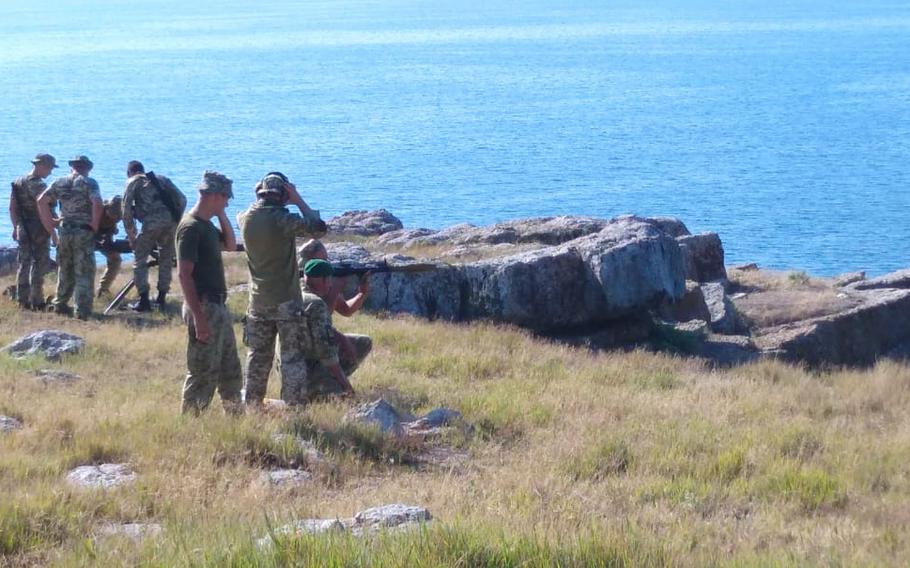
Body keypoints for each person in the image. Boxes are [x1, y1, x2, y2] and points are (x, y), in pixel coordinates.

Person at [237, 172, 327, 407]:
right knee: (291, 358)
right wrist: (297, 199)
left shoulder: (245, 218)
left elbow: (253, 208)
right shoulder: (282, 219)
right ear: (283, 194)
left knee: (257, 357)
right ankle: (294, 408)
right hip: (286, 301)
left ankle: (252, 406)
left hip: (257, 301)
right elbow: (318, 229)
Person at [176, 171, 242, 415]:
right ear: (215, 195)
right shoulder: (190, 228)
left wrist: (221, 214)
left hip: (218, 306)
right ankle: (191, 424)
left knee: (230, 369)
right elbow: (184, 275)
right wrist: (199, 318)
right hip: (203, 306)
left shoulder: (205, 226)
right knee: (203, 371)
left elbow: (231, 245)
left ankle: (235, 420)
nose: (227, 202)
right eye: (226, 199)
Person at [297, 238, 373, 382]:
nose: (327, 262)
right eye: (322, 259)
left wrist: (362, 293)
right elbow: (319, 316)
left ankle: (330, 381)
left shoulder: (325, 282)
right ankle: (326, 385)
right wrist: (335, 289)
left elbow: (346, 310)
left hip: (319, 341)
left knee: (363, 342)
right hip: (304, 349)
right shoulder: (301, 287)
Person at [37, 155, 103, 320]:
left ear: (71, 167)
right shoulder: (89, 182)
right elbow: (97, 203)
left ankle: (60, 305)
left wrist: (49, 223)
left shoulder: (60, 182)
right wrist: (94, 225)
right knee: (84, 270)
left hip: (65, 231)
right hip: (83, 231)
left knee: (65, 269)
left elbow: (41, 201)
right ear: (87, 168)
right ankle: (82, 311)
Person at [122, 160, 186, 311]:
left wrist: (132, 235)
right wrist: (176, 219)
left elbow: (125, 210)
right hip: (170, 224)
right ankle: (161, 298)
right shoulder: (161, 179)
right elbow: (182, 199)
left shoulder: (132, 182)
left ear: (129, 172)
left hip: (150, 224)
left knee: (140, 260)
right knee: (166, 259)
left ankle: (144, 300)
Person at [299, 259, 359, 400]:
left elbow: (345, 310)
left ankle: (324, 384)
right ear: (325, 280)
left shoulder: (295, 293)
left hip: (291, 364)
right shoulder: (316, 304)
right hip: (304, 367)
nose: (331, 283)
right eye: (329, 279)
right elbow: (326, 351)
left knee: (359, 342)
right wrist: (347, 387)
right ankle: (321, 387)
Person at [9, 153, 57, 310]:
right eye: (49, 168)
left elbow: (13, 208)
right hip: (39, 227)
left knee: (23, 263)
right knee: (39, 263)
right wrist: (53, 232)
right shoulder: (40, 186)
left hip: (23, 227)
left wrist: (16, 226)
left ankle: (21, 299)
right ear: (41, 166)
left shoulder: (18, 182)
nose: (50, 172)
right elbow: (46, 210)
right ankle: (37, 300)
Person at [94, 195, 125, 297]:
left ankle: (103, 289)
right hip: (87, 237)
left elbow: (110, 234)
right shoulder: (96, 210)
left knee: (115, 260)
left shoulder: (116, 215)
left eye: (117, 218)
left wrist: (108, 243)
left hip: (103, 239)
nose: (113, 219)